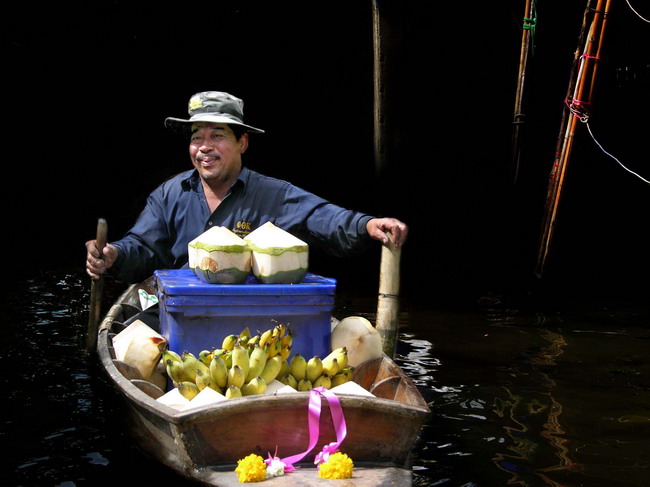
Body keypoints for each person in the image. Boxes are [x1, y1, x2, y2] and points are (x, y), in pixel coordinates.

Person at [85, 91, 408, 283]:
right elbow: (142, 247)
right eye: (197, 137)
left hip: (249, 313)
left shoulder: (274, 194)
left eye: (218, 136)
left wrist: (367, 224)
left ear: (242, 142)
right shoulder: (169, 193)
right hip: (181, 307)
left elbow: (324, 218)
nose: (204, 146)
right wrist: (114, 254)